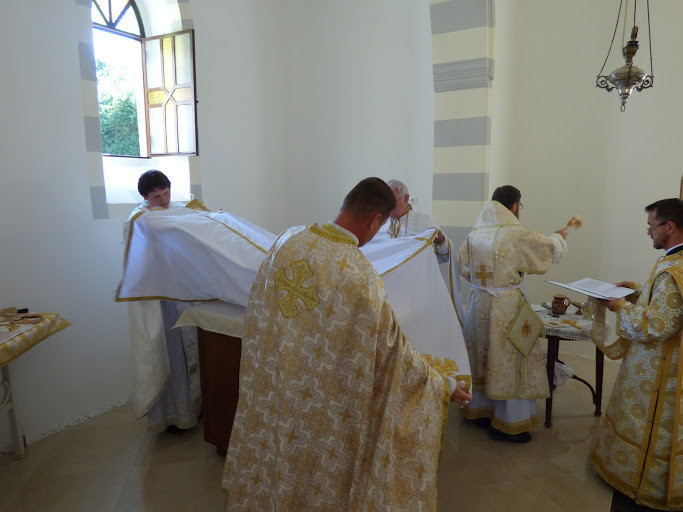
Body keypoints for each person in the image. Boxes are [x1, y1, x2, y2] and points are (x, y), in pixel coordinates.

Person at [221, 177, 471, 511]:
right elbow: (391, 350)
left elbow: (261, 312)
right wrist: (442, 384)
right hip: (322, 406)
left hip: (280, 389)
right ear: (375, 220)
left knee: (281, 465)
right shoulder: (357, 273)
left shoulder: (288, 240)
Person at [591, 198, 683, 511]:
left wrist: (619, 306)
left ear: (669, 227)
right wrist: (633, 291)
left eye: (651, 226)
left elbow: (656, 325)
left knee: (652, 430)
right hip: (660, 362)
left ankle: (644, 484)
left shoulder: (674, 271)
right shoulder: (674, 262)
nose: (648, 233)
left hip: (661, 371)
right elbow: (661, 303)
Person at [458, 185, 568, 443]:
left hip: (478, 303)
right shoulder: (516, 233)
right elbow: (546, 249)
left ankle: (479, 411)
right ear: (515, 206)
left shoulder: (476, 233)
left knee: (482, 356)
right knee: (509, 362)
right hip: (505, 307)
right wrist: (559, 236)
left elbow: (463, 267)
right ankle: (507, 422)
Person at [122, 169, 201, 433]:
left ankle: (196, 407)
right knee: (171, 354)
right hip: (160, 300)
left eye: (166, 193)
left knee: (192, 349)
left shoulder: (178, 209)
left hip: (184, 292)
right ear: (145, 197)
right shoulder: (137, 219)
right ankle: (174, 417)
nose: (164, 200)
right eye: (157, 196)